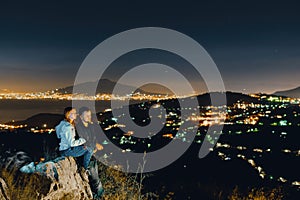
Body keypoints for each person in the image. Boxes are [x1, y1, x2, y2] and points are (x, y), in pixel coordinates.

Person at [76, 106, 104, 199]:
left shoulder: (91, 127)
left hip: (92, 156)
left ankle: (96, 196)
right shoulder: (79, 128)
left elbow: (94, 139)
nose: (89, 117)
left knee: (94, 179)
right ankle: (99, 197)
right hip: (85, 157)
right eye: (86, 115)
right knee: (95, 180)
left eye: (89, 115)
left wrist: (94, 147)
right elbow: (83, 142)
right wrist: (94, 145)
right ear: (80, 117)